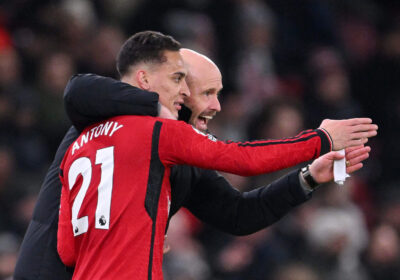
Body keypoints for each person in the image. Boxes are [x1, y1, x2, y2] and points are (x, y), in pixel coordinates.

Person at [14, 31, 376, 280]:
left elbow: (239, 214)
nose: (217, 105)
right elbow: (244, 158)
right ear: (177, 90)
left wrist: (308, 177)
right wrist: (322, 138)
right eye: (207, 92)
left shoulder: (89, 135)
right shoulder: (155, 131)